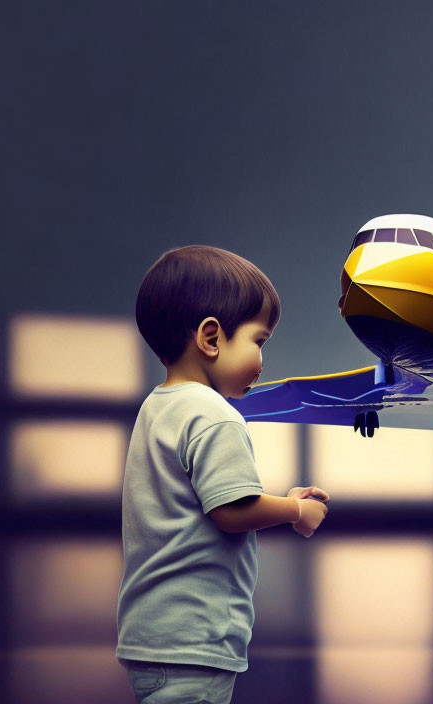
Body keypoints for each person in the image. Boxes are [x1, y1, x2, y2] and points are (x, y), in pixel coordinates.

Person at [116, 245, 330, 703]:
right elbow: (231, 510)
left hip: (152, 637)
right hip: (195, 641)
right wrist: (297, 509)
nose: (262, 360)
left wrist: (281, 497)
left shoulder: (158, 407)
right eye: (259, 341)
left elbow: (204, 499)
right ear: (211, 338)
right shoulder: (215, 414)